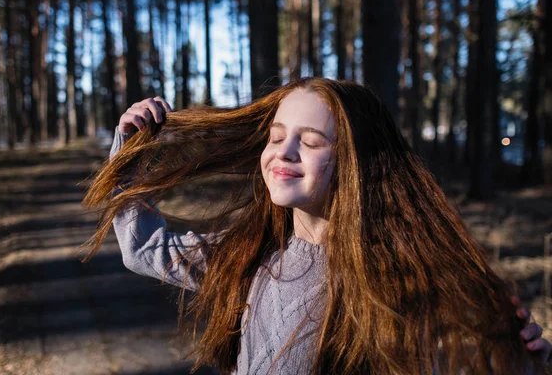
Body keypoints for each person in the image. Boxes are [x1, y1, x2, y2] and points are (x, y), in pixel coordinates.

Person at [83, 78, 551, 374]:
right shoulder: (249, 254)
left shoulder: (396, 282)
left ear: (354, 163)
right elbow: (143, 248)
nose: (283, 153)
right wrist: (130, 153)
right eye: (276, 137)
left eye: (309, 141)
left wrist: (519, 353)